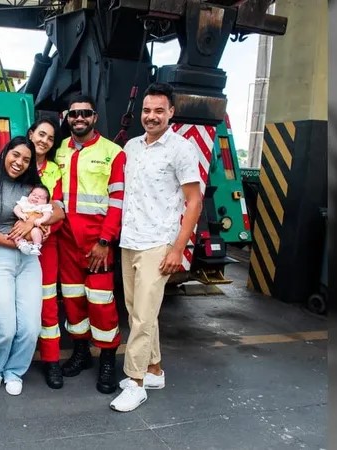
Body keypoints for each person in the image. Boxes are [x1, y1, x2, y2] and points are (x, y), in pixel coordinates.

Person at [109, 82, 203, 412]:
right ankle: (154, 370)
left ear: (171, 113)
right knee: (142, 313)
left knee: (141, 318)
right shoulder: (132, 147)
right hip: (130, 240)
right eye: (147, 110)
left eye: (159, 111)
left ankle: (135, 383)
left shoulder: (181, 149)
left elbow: (194, 202)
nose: (151, 116)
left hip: (158, 243)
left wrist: (178, 247)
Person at [0, 136, 65, 396]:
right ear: (5, 154)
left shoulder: (33, 188)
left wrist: (33, 222)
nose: (19, 162)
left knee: (30, 325)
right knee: (4, 323)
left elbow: (58, 210)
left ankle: (14, 371)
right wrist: (18, 242)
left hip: (28, 260)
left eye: (26, 159)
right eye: (15, 155)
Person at [55, 94, 126, 394]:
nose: (79, 118)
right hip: (67, 241)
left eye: (85, 113)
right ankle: (81, 353)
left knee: (101, 302)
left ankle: (108, 359)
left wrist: (105, 241)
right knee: (73, 300)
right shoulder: (62, 150)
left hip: (98, 243)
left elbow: (118, 201)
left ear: (94, 117)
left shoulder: (114, 153)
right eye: (74, 114)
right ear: (67, 118)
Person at [27, 118, 65, 389]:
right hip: (14, 243)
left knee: (48, 304)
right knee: (16, 306)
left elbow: (59, 209)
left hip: (47, 246)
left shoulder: (54, 170)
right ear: (31, 134)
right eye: (41, 134)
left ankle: (51, 361)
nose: (44, 141)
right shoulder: (15, 160)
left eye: (50, 138)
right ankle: (15, 360)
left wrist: (46, 225)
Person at [12, 185, 53, 255]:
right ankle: (22, 246)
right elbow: (16, 208)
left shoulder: (43, 207)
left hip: (35, 227)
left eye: (41, 197)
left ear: (46, 201)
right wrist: (20, 214)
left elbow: (47, 215)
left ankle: (36, 246)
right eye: (33, 194)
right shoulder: (25, 202)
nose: (36, 197)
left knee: (35, 231)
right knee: (15, 235)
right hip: (21, 227)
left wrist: (41, 220)